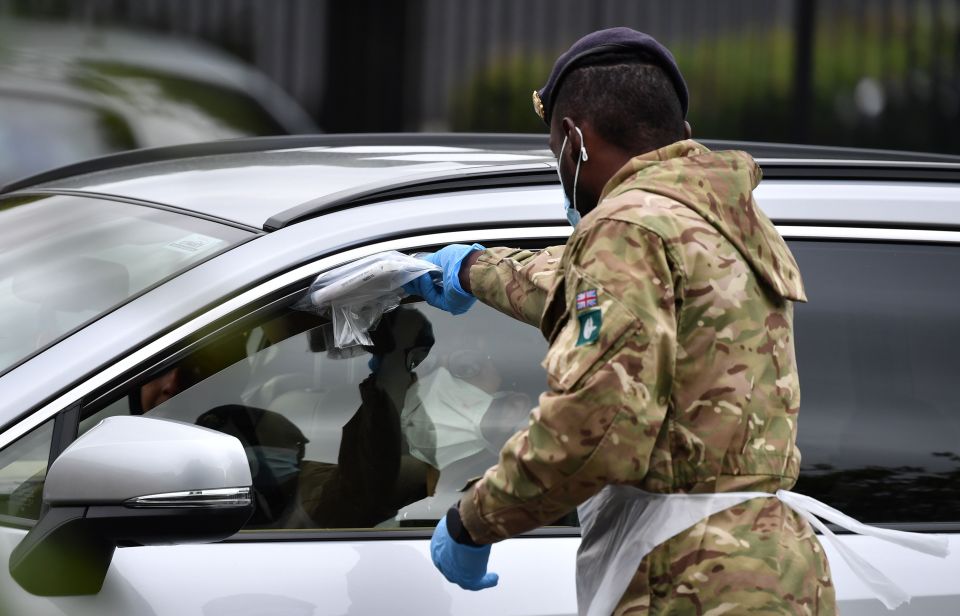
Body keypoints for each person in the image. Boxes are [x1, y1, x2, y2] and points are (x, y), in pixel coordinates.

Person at [405, 27, 834, 615]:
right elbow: (583, 291)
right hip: (776, 570)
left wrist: (473, 521)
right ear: (679, 137)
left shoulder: (626, 228)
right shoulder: (721, 223)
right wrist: (473, 270)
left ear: (572, 139)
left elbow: (596, 430)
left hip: (688, 580)